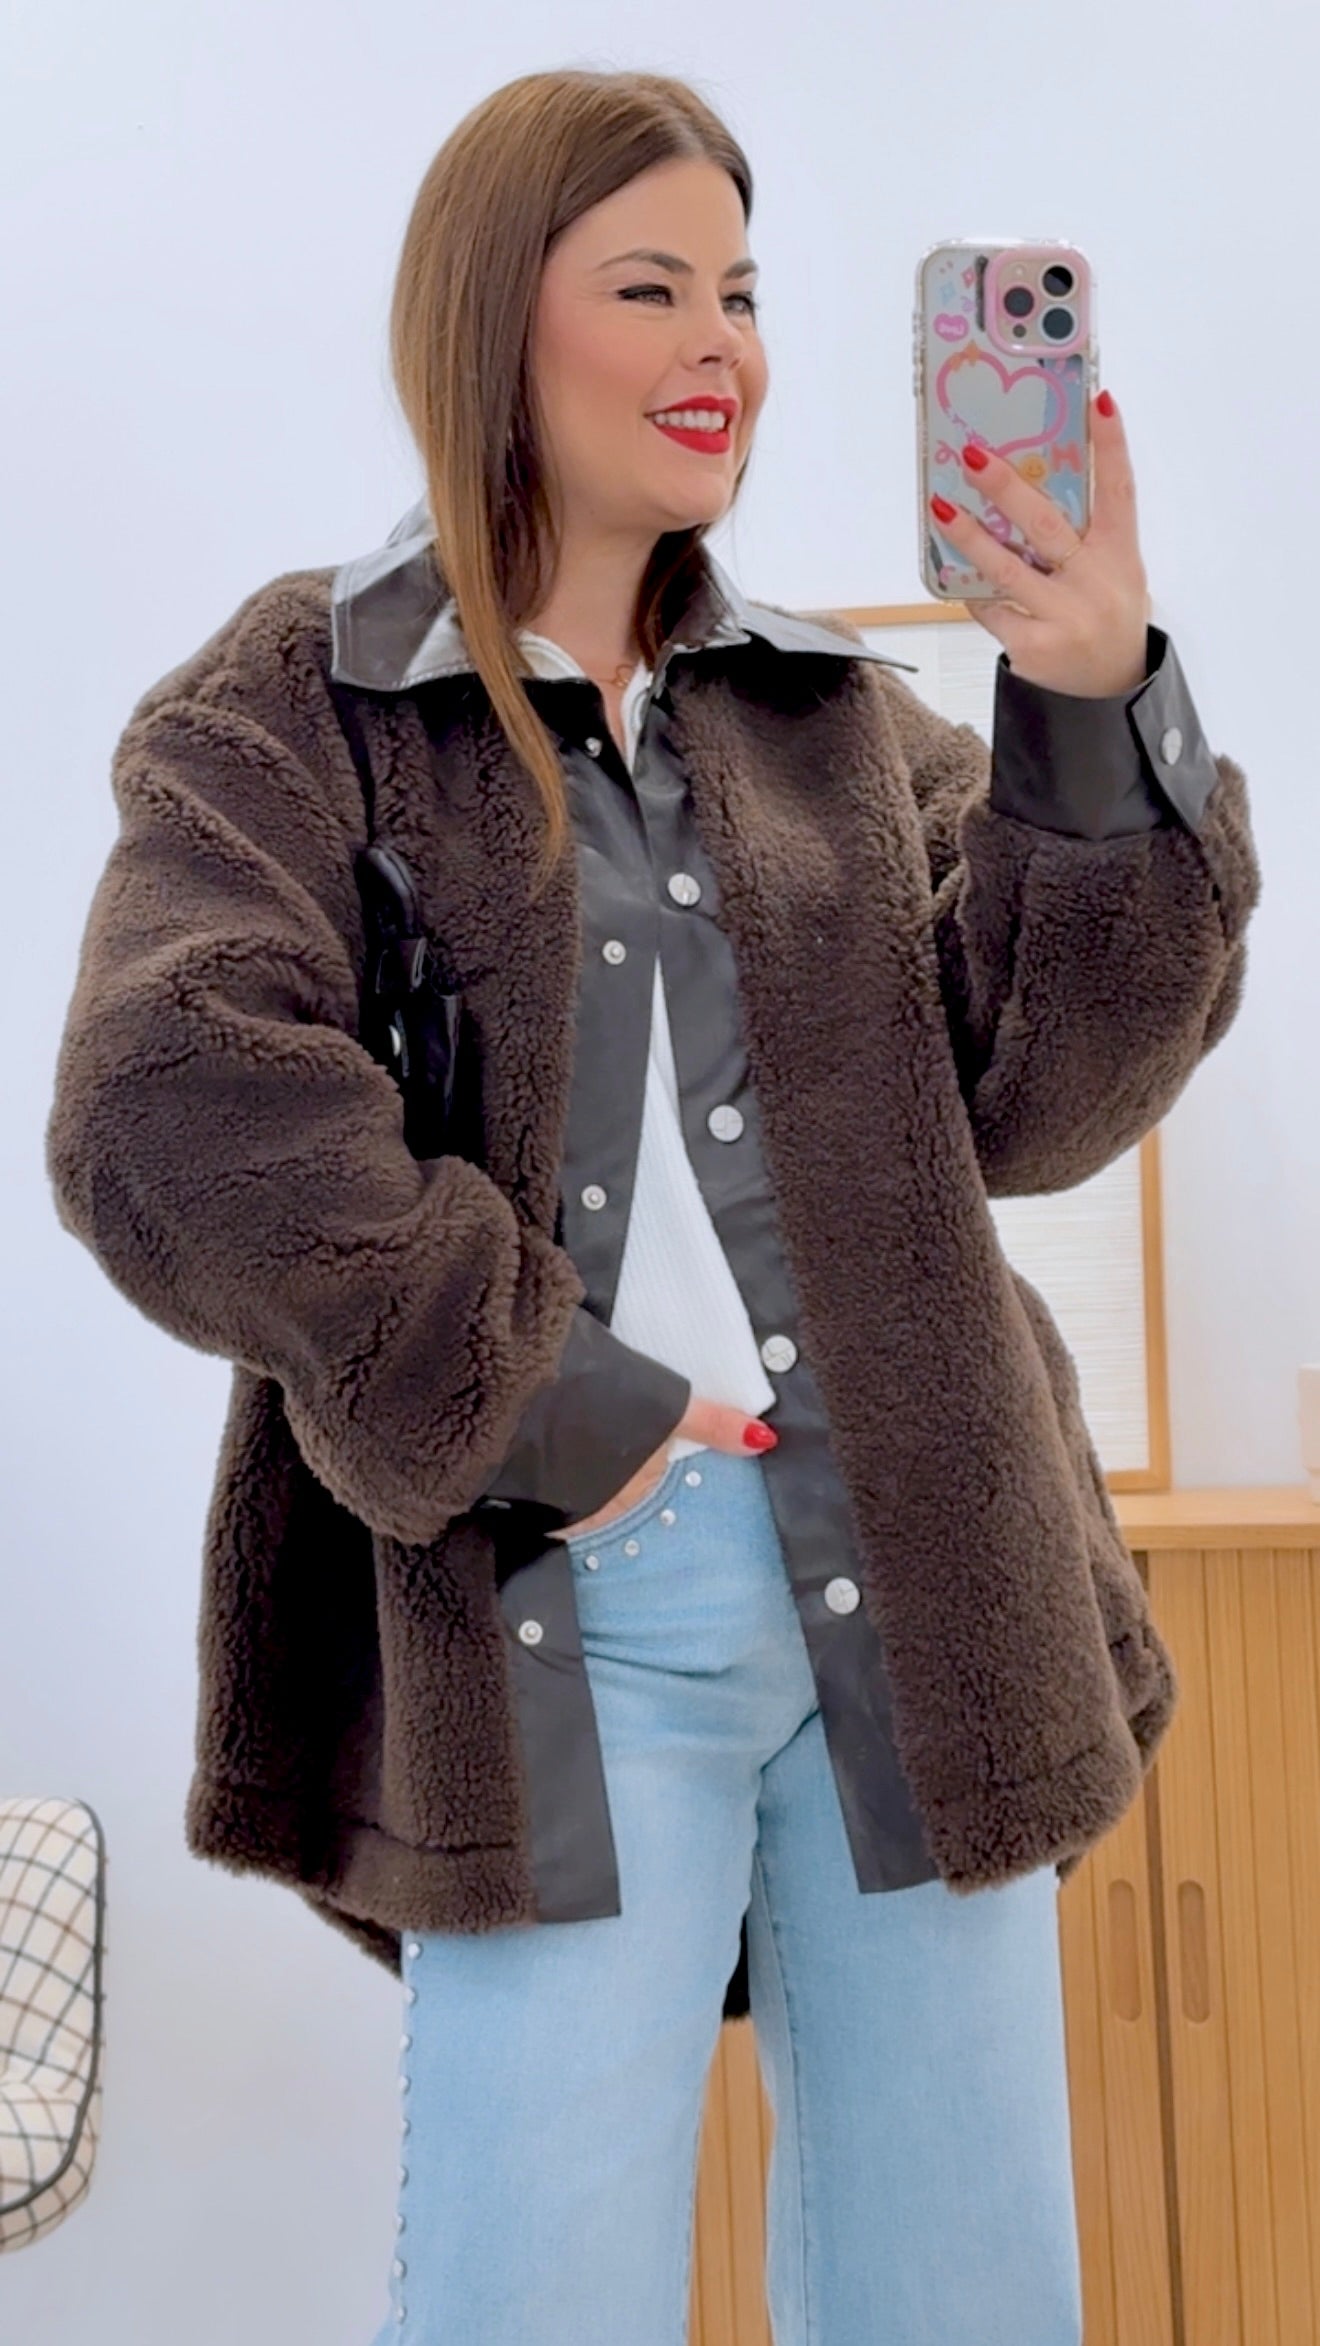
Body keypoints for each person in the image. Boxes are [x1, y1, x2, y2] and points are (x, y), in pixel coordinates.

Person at [45, 65, 1261, 2346]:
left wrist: (1090, 700)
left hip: (926, 1579)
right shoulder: (302, 698)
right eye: (649, 288)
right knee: (532, 2295)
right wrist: (542, 1395)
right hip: (567, 1601)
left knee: (964, 2299)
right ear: (491, 319)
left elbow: (1046, 1092)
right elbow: (163, 1095)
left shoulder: (833, 718)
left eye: (746, 293)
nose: (723, 345)